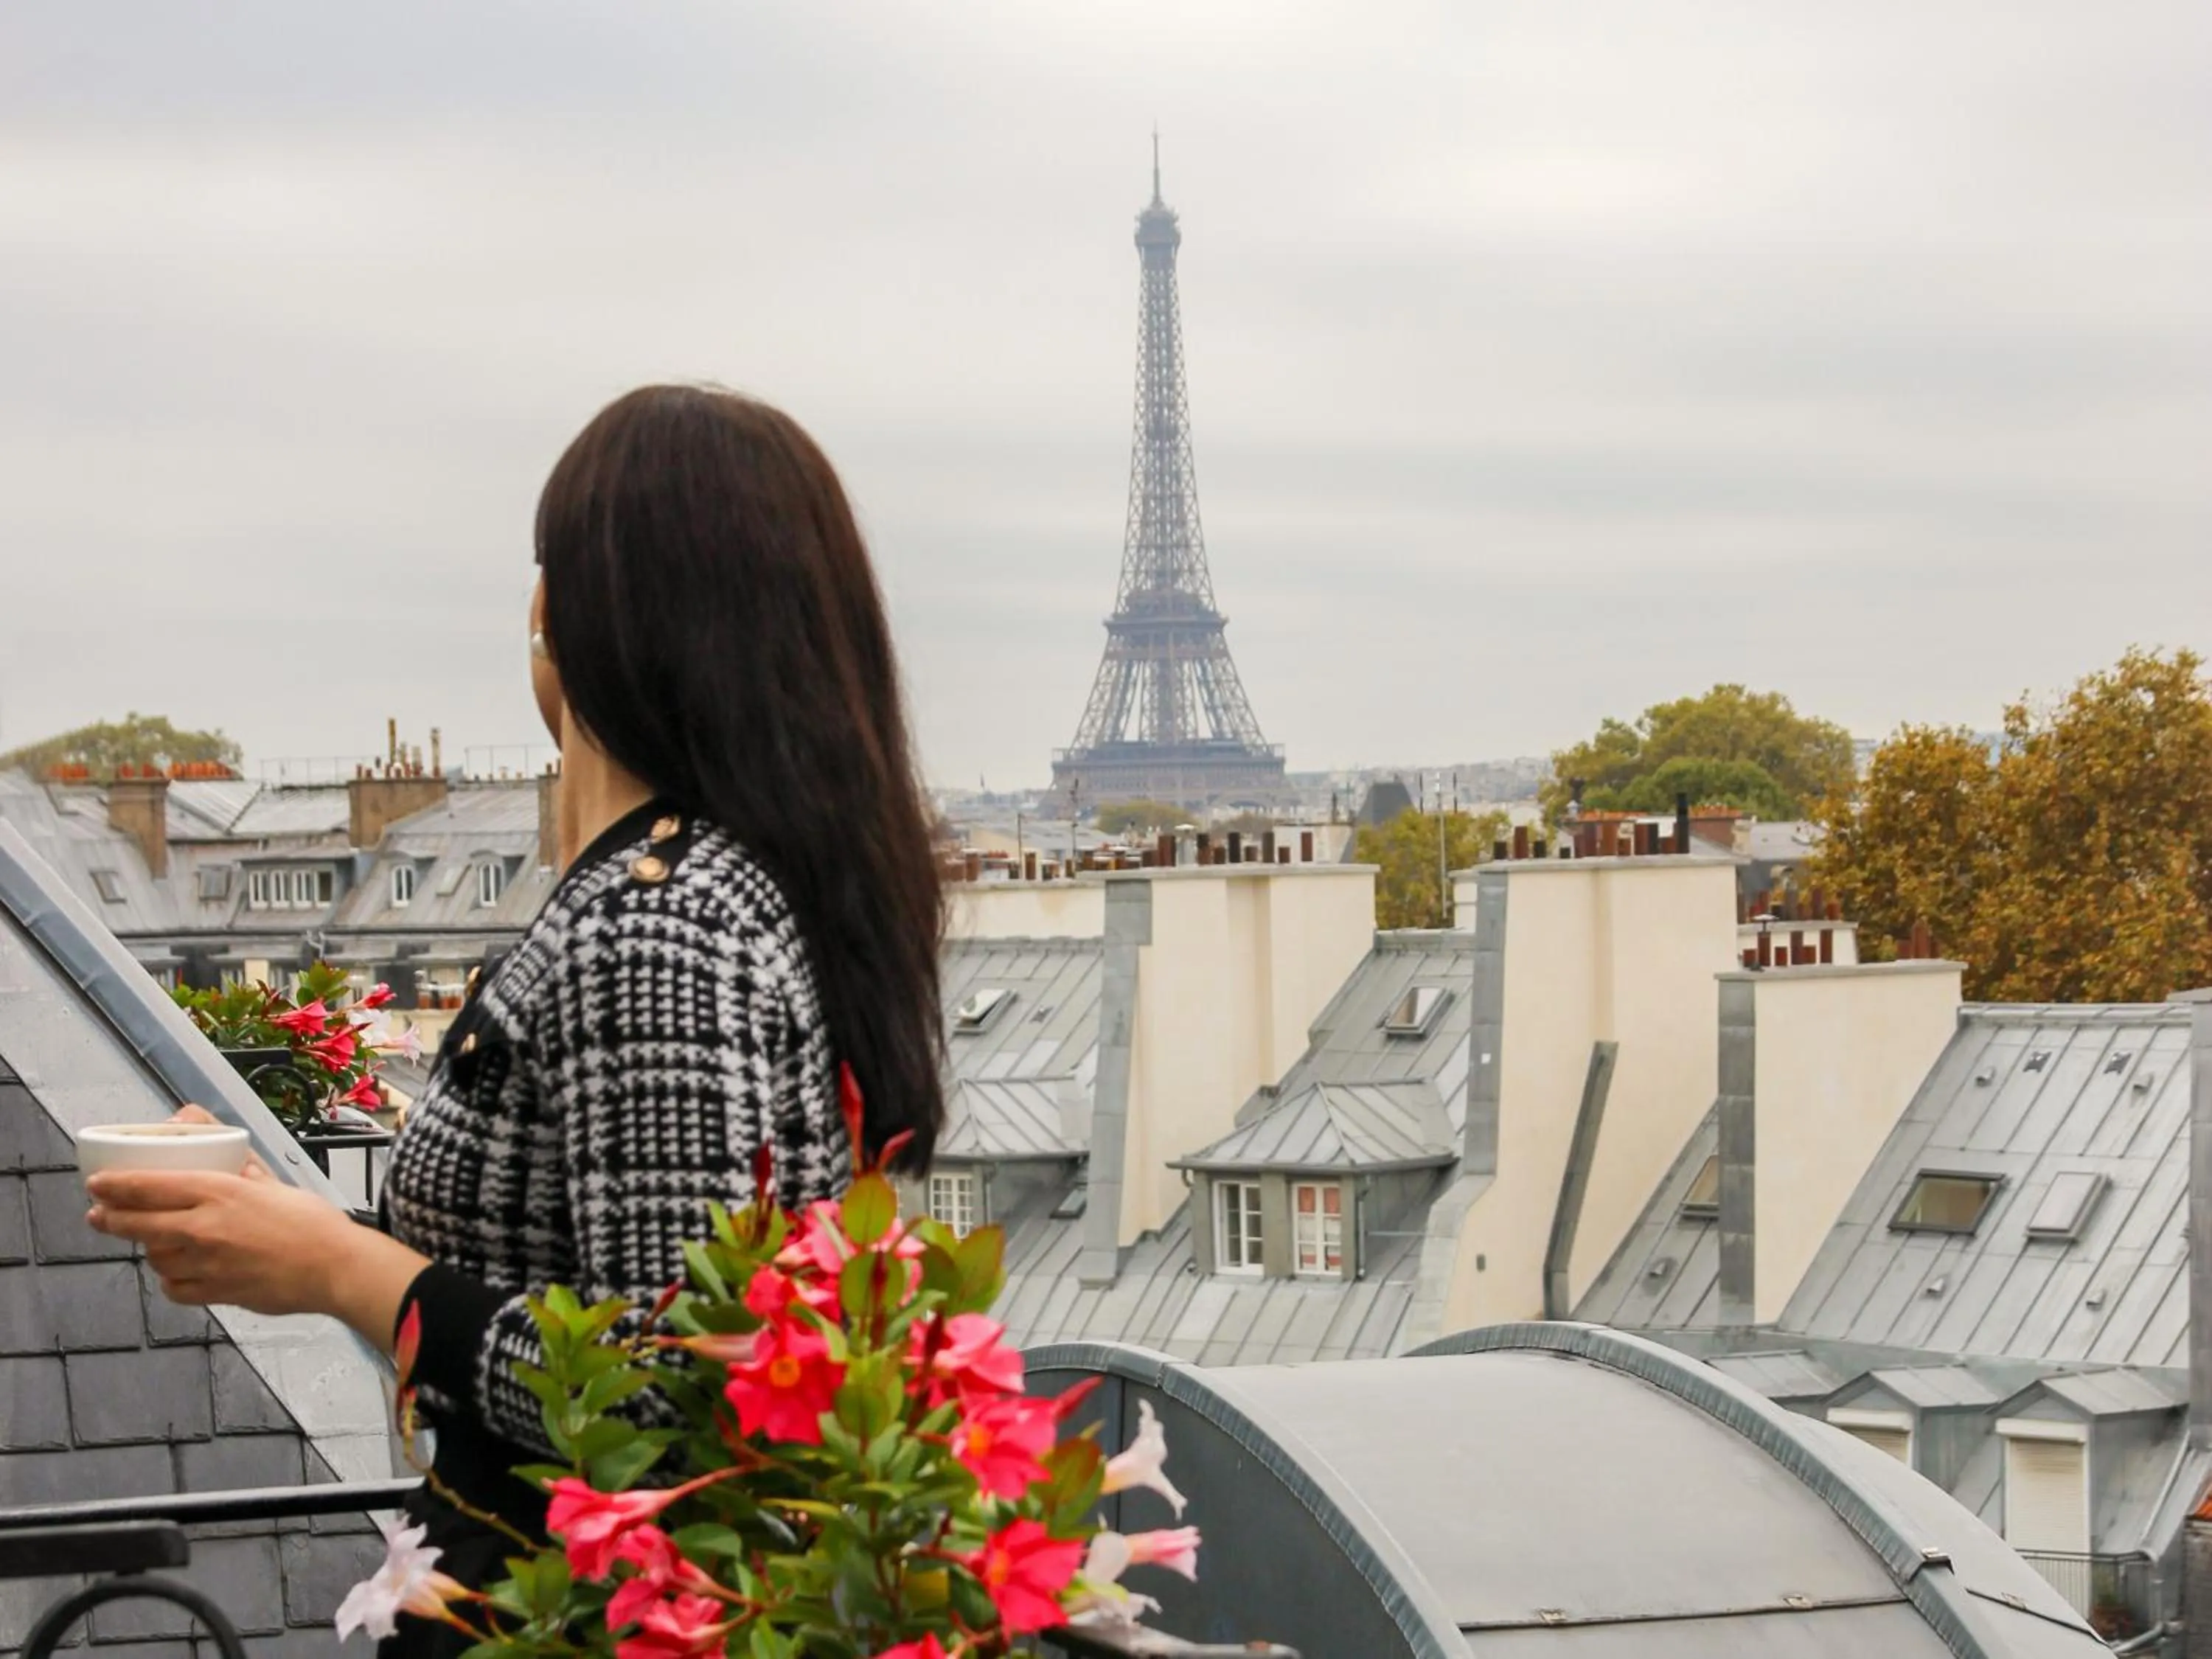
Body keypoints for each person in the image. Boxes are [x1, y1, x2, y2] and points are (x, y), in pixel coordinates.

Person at [85, 385, 947, 1656]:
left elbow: (663, 1397)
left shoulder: (656, 921)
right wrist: (292, 1227)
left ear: (563, 616)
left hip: (565, 1610)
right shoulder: (716, 882)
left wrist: (337, 1267)